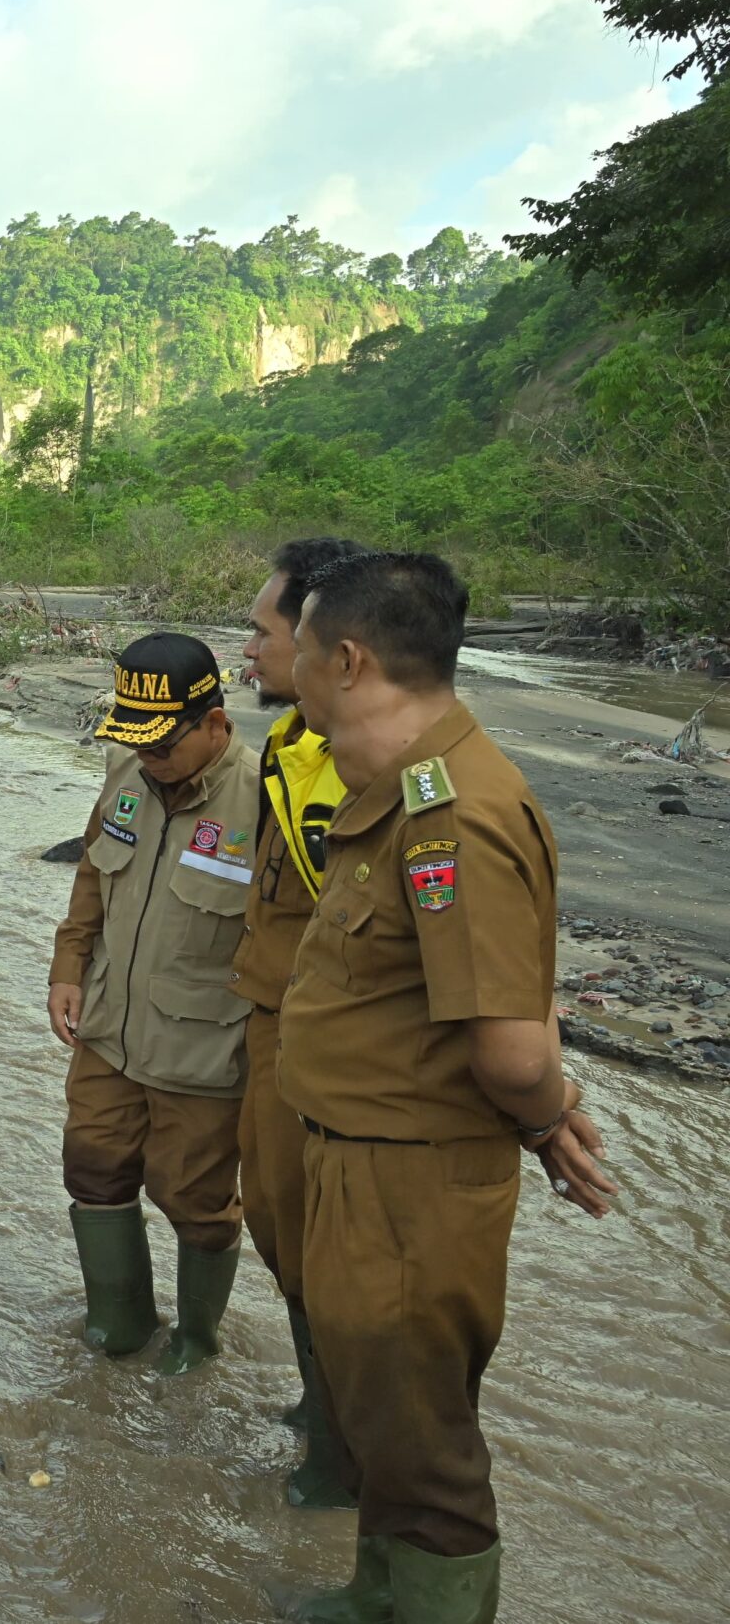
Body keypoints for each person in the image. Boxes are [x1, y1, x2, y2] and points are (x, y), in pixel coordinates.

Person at [277, 551, 616, 1624]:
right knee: (383, 1422)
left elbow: (511, 1046)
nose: (279, 658)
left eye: (294, 642)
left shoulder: (455, 816)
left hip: (410, 1190)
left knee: (424, 1452)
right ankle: (379, 1598)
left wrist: (549, 1113)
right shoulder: (399, 793)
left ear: (346, 658)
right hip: (362, 1163)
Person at [46, 634, 258, 1373]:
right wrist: (66, 970)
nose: (151, 758)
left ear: (214, 722)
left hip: (201, 1047)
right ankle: (118, 1321)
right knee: (92, 1167)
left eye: (164, 743)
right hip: (108, 1027)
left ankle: (197, 1345)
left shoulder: (263, 799)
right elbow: (91, 884)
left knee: (195, 1198)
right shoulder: (127, 774)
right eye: (136, 741)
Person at [229, 535, 366, 1508]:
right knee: (279, 1227)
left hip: (331, 1049)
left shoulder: (360, 772)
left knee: (327, 1251)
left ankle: (340, 1457)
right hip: (273, 1025)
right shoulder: (290, 746)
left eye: (261, 631)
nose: (248, 651)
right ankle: (321, 1410)